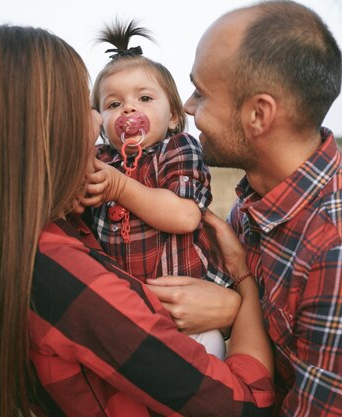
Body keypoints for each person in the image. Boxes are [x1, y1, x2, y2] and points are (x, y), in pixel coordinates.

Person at [0, 25, 274, 417]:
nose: (99, 120)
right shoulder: (62, 275)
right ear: (40, 128)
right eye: (90, 104)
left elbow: (181, 213)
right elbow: (246, 406)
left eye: (143, 98)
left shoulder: (13, 240)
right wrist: (243, 290)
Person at [147, 1, 342, 416]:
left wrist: (236, 305)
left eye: (202, 92)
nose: (190, 108)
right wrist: (239, 302)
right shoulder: (259, 203)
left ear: (258, 114)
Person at [82, 21, 233, 358]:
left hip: (190, 314)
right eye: (113, 105)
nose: (129, 109)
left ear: (175, 117)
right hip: (131, 313)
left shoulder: (177, 149)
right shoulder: (101, 160)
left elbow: (184, 216)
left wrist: (120, 186)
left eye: (145, 98)